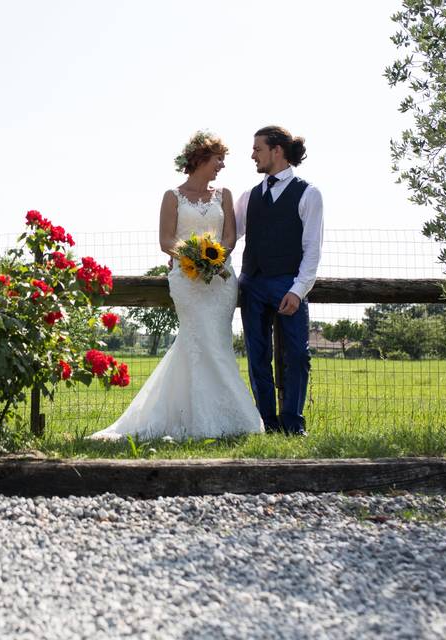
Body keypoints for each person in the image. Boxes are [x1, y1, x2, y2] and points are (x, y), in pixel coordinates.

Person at [90, 131, 262, 441]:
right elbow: (166, 240)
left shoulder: (223, 194)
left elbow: (230, 237)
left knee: (218, 344)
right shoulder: (172, 196)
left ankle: (230, 418)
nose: (221, 165)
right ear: (199, 159)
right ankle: (190, 418)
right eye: (217, 158)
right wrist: (192, 256)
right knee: (196, 341)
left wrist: (215, 259)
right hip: (187, 280)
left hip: (220, 281)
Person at [235, 125, 323, 436]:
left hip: (289, 284)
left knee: (298, 355)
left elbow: (312, 250)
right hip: (253, 284)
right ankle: (267, 424)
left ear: (277, 151)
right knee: (257, 357)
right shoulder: (248, 197)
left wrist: (299, 291)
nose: (252, 154)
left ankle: (293, 423)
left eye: (257, 148)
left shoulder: (309, 194)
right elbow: (227, 238)